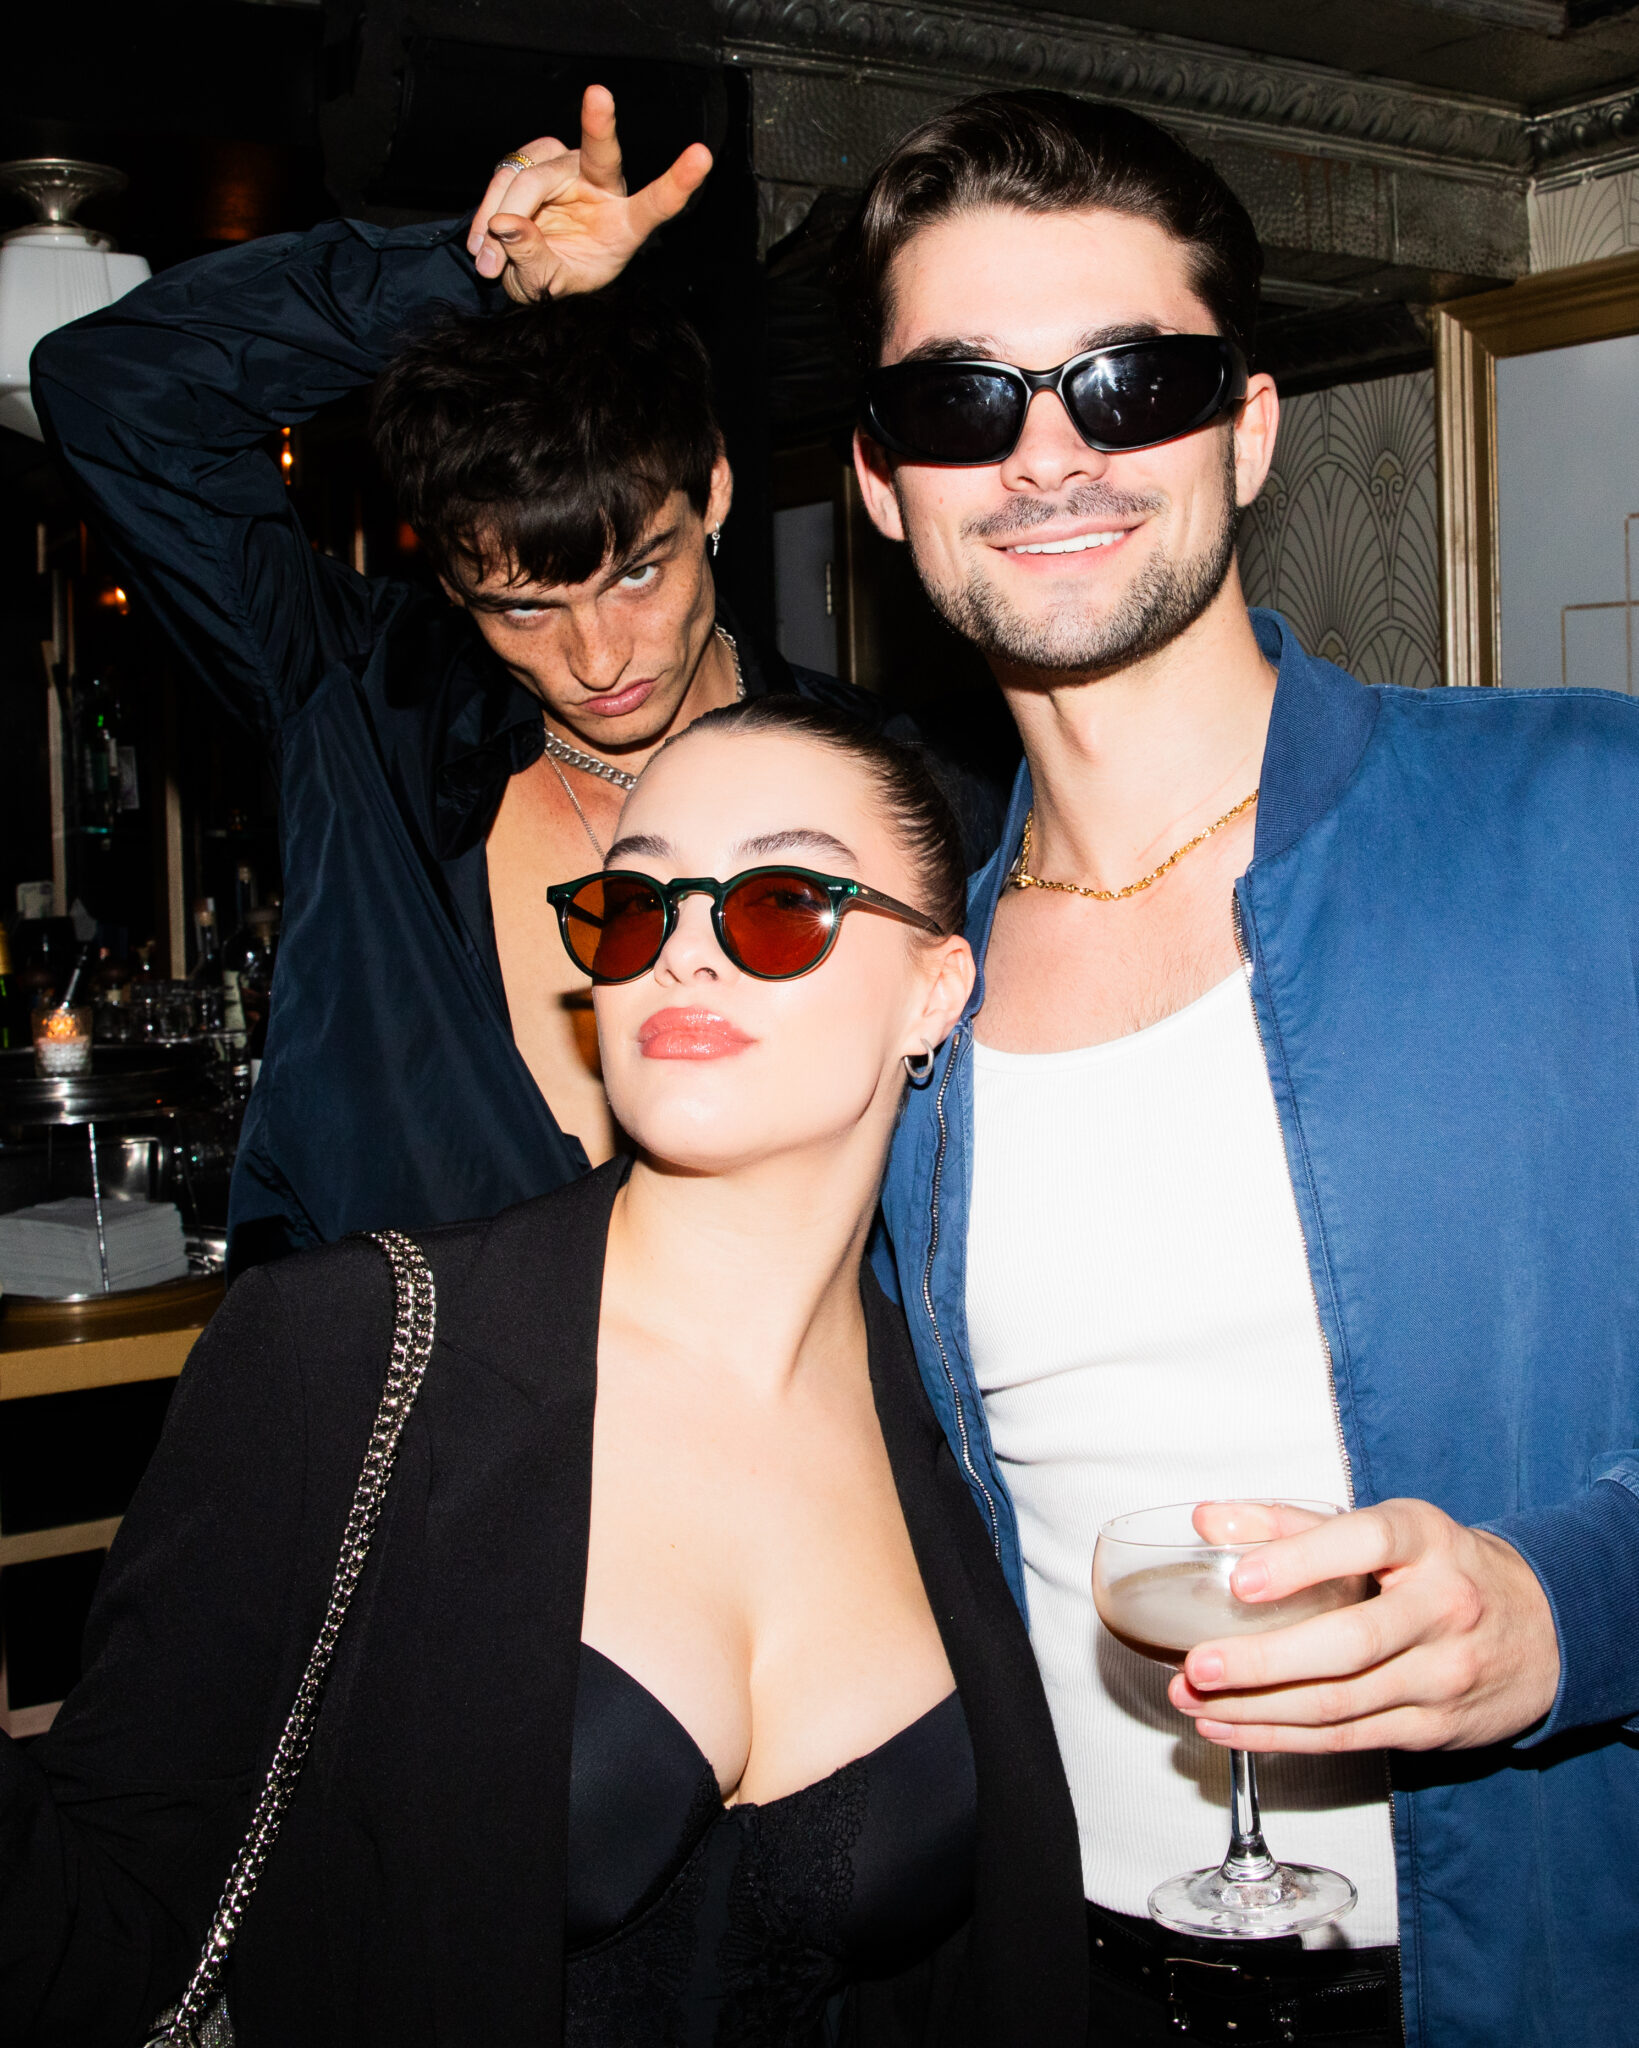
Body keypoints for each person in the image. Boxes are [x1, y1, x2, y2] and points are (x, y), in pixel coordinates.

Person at [848, 89, 1639, 2048]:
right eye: (961, 399)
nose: (1047, 453)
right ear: (879, 480)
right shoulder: (890, 996)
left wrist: (1573, 1608)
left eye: (1131, 381)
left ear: (1248, 428)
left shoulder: (1586, 818)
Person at [0, 700, 1088, 2047]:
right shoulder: (349, 1351)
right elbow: (104, 1927)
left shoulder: (957, 1424)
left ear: (934, 986)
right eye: (636, 905)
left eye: (778, 902)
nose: (683, 951)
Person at [31, 87, 994, 1272]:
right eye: (524, 607)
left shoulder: (894, 790)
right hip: (393, 1385)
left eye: (637, 574)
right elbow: (114, 389)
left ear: (714, 491)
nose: (598, 658)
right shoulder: (361, 709)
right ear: (447, 579)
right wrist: (471, 276)